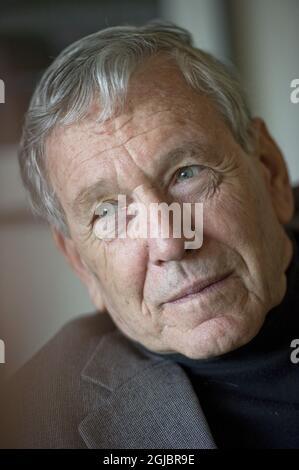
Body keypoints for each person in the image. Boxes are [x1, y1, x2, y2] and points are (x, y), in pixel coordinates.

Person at [1, 21, 299, 449]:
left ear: (270, 171)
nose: (171, 243)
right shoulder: (32, 425)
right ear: (80, 263)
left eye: (187, 173)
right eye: (110, 212)